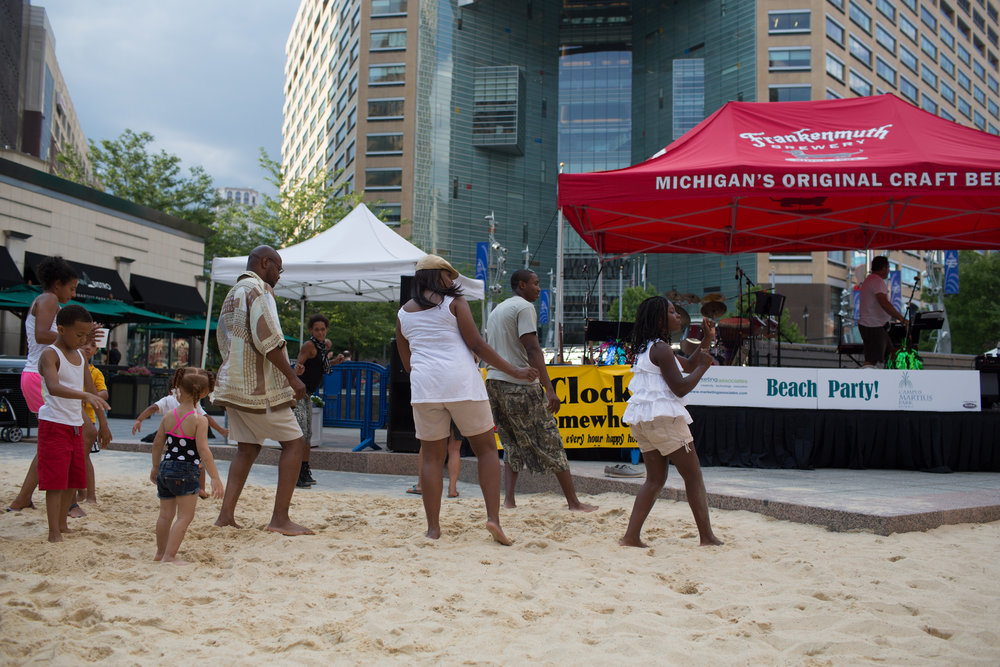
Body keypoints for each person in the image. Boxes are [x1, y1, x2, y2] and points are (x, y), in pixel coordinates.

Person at [395, 254, 538, 545]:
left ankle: (433, 529)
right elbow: (477, 345)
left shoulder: (402, 314)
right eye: (449, 275)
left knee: (432, 459)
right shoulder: (455, 303)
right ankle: (493, 519)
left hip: (425, 389)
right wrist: (515, 370)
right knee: (486, 450)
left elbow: (408, 363)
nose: (453, 280)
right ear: (438, 276)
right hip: (461, 383)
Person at [211, 246, 312, 536]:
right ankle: (280, 518)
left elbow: (223, 338)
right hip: (258, 387)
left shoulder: (233, 292)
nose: (279, 276)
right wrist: (293, 379)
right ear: (264, 262)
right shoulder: (257, 289)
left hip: (233, 382)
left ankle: (225, 515)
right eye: (278, 269)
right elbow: (269, 339)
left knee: (248, 448)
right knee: (295, 443)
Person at [485, 269, 598, 513]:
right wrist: (549, 388)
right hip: (518, 385)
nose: (539, 288)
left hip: (494, 383)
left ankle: (510, 500)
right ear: (522, 285)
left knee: (511, 442)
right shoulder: (524, 308)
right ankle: (573, 502)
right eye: (536, 284)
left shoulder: (496, 310)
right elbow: (533, 349)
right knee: (551, 439)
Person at [619, 296, 722, 548]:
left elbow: (686, 364)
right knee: (693, 475)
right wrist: (704, 368)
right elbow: (681, 387)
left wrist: (706, 340)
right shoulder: (662, 349)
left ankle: (631, 537)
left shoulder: (651, 347)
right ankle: (707, 537)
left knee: (654, 479)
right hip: (664, 418)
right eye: (673, 312)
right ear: (659, 319)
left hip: (643, 420)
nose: (678, 316)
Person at [7, 256, 81, 513]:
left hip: (37, 375)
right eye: (71, 288)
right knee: (60, 440)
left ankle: (26, 498)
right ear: (57, 284)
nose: (73, 293)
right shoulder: (49, 299)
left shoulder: (45, 300)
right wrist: (75, 337)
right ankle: (62, 502)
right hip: (40, 377)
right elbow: (41, 335)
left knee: (56, 440)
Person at [36, 305, 111, 542]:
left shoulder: (79, 355)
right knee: (55, 482)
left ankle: (63, 524)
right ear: (61, 329)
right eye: (79, 335)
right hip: (54, 424)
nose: (82, 341)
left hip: (75, 426)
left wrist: (103, 423)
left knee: (71, 478)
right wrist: (85, 397)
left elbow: (93, 391)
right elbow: (54, 387)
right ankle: (53, 531)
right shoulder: (50, 354)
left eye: (85, 336)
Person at [149, 368, 225, 564]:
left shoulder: (168, 416)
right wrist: (215, 477)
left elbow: (158, 443)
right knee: (185, 517)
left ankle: (160, 552)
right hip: (187, 470)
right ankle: (170, 556)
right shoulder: (199, 420)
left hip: (166, 467)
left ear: (179, 387)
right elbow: (203, 451)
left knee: (165, 515)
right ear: (204, 393)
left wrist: (155, 467)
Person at [132, 375, 229, 498]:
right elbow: (204, 444)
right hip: (189, 458)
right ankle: (201, 489)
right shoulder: (196, 407)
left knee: (165, 515)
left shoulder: (167, 407)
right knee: (201, 466)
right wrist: (220, 430)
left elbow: (157, 440)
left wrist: (139, 419)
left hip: (169, 457)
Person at [291, 313, 344, 488]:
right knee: (301, 435)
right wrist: (298, 369)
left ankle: (304, 470)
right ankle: (297, 472)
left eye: (323, 329)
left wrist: (335, 361)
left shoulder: (322, 347)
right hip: (300, 394)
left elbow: (323, 367)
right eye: (317, 330)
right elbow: (299, 364)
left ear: (326, 329)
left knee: (307, 436)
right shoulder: (309, 345)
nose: (320, 332)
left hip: (308, 394)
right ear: (311, 330)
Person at [71, 340, 109, 514]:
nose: (87, 347)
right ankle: (82, 492)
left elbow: (103, 393)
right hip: (74, 416)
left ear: (96, 350)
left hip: (88, 419)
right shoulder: (73, 367)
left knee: (84, 458)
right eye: (84, 343)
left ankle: (90, 494)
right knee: (78, 458)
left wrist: (89, 396)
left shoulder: (94, 372)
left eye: (92, 345)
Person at [858, 255, 907, 368]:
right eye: (888, 268)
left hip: (872, 325)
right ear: (884, 268)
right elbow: (884, 303)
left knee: (891, 355)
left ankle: (888, 380)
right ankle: (863, 381)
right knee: (871, 360)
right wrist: (901, 318)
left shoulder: (869, 280)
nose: (889, 271)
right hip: (872, 325)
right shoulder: (877, 281)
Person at [407, 421, 463, 498]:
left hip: (436, 410)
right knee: (454, 449)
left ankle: (421, 485)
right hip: (458, 409)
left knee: (426, 444)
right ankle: (452, 489)